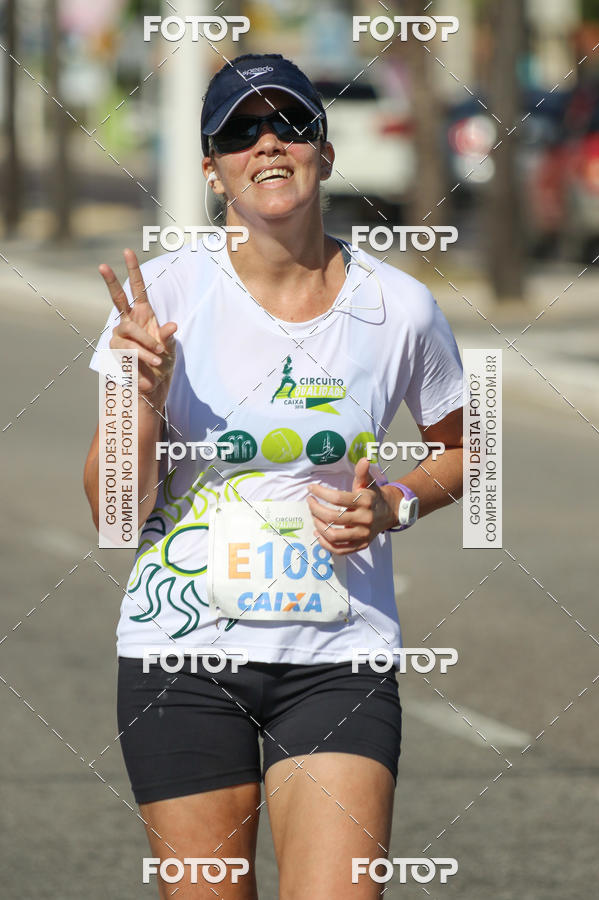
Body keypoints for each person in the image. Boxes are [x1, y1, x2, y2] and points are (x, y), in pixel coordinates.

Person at [83, 53, 464, 899]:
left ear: (324, 154)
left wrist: (394, 503)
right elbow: (114, 514)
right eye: (239, 131)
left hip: (339, 656)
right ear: (214, 169)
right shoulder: (160, 301)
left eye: (288, 124)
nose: (267, 143)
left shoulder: (399, 306)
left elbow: (476, 447)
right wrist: (142, 398)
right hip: (178, 657)